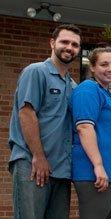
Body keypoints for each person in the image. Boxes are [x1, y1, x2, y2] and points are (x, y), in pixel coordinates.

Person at [8, 24, 82, 219]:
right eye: (64, 42)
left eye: (74, 44)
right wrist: (38, 156)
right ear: (52, 43)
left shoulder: (73, 86)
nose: (69, 47)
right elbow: (26, 113)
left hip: (61, 171)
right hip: (32, 163)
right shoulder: (36, 72)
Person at [70, 46, 111, 219]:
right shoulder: (88, 89)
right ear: (92, 67)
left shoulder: (105, 93)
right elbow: (84, 127)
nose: (110, 69)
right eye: (104, 64)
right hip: (94, 173)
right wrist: (98, 165)